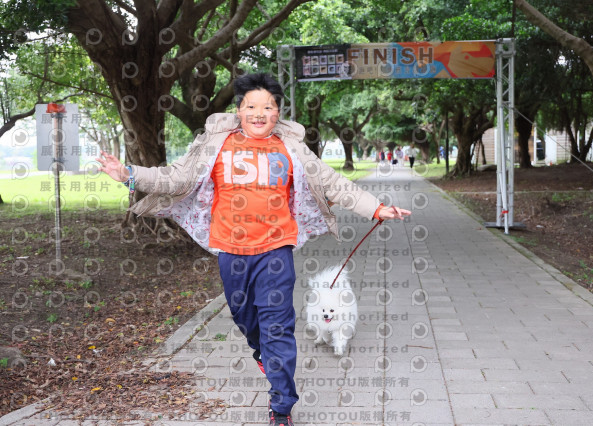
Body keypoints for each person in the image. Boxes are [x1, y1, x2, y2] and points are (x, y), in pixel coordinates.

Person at [95, 73, 411, 426]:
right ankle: (262, 351)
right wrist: (129, 174)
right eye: (251, 106)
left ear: (278, 112)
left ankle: (281, 406)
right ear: (239, 110)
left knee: (278, 328)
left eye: (268, 107)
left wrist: (376, 208)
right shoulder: (215, 144)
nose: (259, 114)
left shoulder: (292, 148)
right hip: (231, 251)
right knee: (245, 318)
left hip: (276, 251)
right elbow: (176, 178)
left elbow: (331, 181)